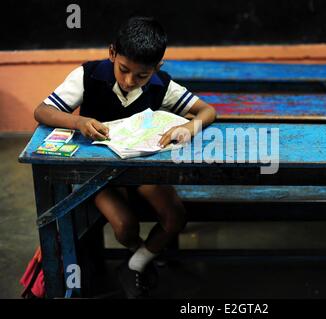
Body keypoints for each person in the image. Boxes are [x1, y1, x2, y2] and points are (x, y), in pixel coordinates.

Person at [34, 16, 217, 298]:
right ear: (112, 53)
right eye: (123, 70)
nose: (130, 81)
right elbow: (42, 111)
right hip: (99, 173)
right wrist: (79, 123)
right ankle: (138, 249)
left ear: (157, 68)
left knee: (175, 218)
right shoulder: (88, 75)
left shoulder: (161, 84)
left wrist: (187, 127)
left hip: (142, 170)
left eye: (141, 75)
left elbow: (208, 111)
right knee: (124, 226)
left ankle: (138, 262)